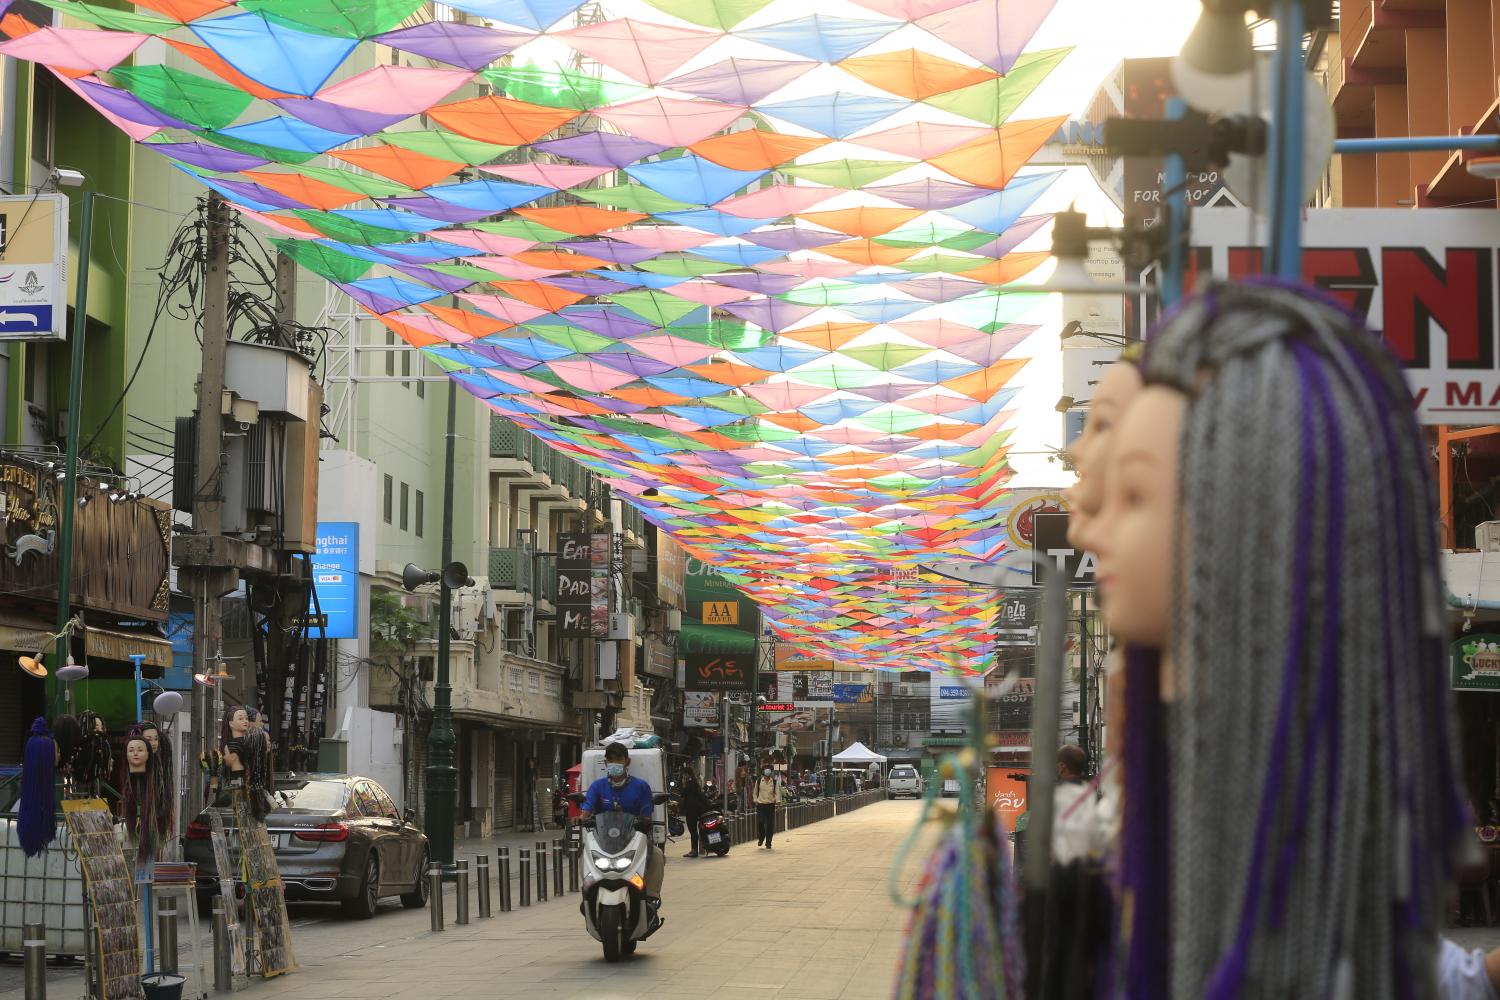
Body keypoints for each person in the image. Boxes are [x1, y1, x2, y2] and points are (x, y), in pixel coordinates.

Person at [578, 742, 663, 904]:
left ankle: (652, 897)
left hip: (634, 840)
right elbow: (587, 809)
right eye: (610, 759)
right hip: (604, 841)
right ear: (605, 763)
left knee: (657, 856)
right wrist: (581, 818)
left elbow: (647, 815)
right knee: (583, 857)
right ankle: (587, 892)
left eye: (618, 759)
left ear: (627, 762)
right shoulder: (597, 787)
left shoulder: (641, 787)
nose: (614, 763)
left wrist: (645, 822)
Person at [679, 771, 711, 858]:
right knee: (695, 831)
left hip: (691, 810)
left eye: (683, 776)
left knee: (693, 831)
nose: (682, 778)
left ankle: (694, 850)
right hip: (697, 810)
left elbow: (682, 794)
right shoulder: (695, 784)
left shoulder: (689, 785)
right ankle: (696, 849)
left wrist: (683, 784)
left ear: (686, 776)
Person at [753, 765, 778, 849]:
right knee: (760, 822)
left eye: (769, 770)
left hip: (770, 805)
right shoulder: (759, 781)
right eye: (765, 769)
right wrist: (755, 800)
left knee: (770, 825)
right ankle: (761, 837)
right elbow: (755, 792)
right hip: (761, 805)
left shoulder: (774, 782)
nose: (767, 771)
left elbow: (777, 793)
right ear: (763, 771)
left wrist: (778, 802)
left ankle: (768, 842)